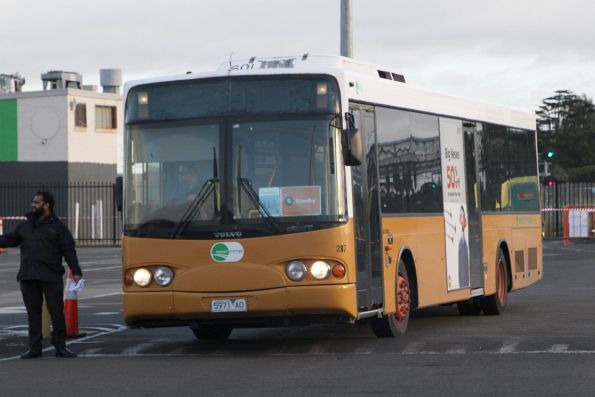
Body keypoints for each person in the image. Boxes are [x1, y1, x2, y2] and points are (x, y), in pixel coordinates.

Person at [0, 191, 82, 359]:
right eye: (33, 202)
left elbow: (68, 250)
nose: (33, 205)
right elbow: (11, 239)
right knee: (33, 314)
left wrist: (76, 271)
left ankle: (60, 347)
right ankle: (34, 348)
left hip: (51, 277)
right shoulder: (25, 226)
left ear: (47, 205)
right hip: (28, 276)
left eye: (37, 202)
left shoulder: (58, 227)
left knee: (56, 312)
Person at [458, 205, 470, 288]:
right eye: (461, 216)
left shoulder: (464, 241)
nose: (462, 218)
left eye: (463, 216)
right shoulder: (461, 242)